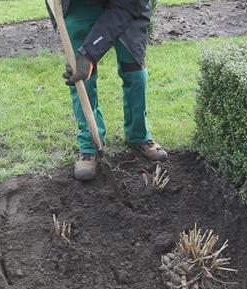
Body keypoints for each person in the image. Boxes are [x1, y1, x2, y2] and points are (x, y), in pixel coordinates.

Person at [51, 0, 168, 181]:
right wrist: (85, 57)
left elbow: (129, 6)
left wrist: (90, 52)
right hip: (80, 5)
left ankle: (139, 135)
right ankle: (89, 145)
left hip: (128, 4)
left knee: (135, 72)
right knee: (82, 75)